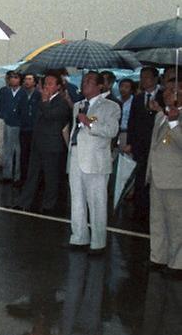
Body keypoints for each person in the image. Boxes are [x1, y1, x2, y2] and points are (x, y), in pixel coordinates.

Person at [66, 71, 120, 254]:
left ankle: (98, 241)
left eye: (89, 81)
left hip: (95, 160)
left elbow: (112, 130)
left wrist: (89, 123)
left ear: (100, 86)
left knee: (96, 202)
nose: (85, 84)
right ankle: (79, 236)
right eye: (84, 80)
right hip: (76, 156)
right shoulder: (78, 105)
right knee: (77, 199)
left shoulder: (110, 107)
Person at [16, 72, 72, 214]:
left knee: (51, 177)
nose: (47, 86)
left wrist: (45, 101)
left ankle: (49, 205)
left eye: (50, 84)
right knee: (32, 175)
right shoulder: (41, 99)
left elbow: (51, 116)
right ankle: (24, 202)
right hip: (38, 142)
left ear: (58, 86)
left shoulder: (62, 102)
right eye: (45, 83)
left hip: (52, 145)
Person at [146, 78, 182, 278]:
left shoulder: (176, 117)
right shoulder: (161, 115)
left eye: (172, 90)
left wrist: (175, 123)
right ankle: (157, 257)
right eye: (166, 89)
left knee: (177, 223)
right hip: (158, 175)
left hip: (175, 177)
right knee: (157, 220)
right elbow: (154, 146)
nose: (166, 93)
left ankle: (177, 262)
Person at [126, 67, 164, 218]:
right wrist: (130, 142)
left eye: (147, 77)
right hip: (140, 144)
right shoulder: (138, 98)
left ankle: (153, 209)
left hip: (156, 142)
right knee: (140, 176)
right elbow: (132, 122)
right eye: (142, 77)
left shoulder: (163, 96)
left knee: (154, 177)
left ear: (155, 79)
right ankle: (139, 208)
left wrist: (157, 109)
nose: (144, 80)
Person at [0, 71, 26, 184]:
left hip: (18, 125)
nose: (13, 79)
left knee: (17, 151)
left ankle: (17, 176)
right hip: (7, 122)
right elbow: (0, 105)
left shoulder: (23, 93)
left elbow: (24, 110)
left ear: (20, 80)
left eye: (16, 77)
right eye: (11, 77)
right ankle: (7, 174)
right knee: (7, 148)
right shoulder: (6, 91)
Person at [19, 73, 41, 186]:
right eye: (26, 79)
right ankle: (23, 178)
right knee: (23, 154)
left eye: (30, 79)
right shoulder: (22, 93)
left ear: (34, 82)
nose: (27, 81)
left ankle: (33, 180)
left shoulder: (38, 95)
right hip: (23, 128)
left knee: (33, 156)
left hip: (34, 129)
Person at [117, 78, 136, 149]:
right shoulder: (116, 100)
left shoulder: (135, 102)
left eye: (126, 87)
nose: (123, 89)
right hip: (115, 131)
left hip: (126, 132)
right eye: (121, 86)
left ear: (131, 90)